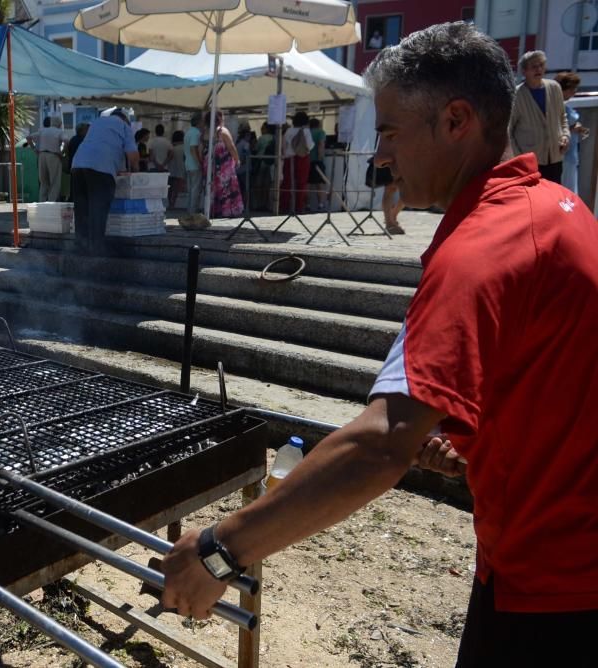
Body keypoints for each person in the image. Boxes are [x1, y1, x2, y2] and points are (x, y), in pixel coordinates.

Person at [161, 22, 598, 667]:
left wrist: (220, 551)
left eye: (391, 131)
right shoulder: (557, 207)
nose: (380, 156)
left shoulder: (478, 252)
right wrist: (484, 437)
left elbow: (381, 443)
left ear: (456, 120)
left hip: (554, 583)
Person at [70, 107, 139, 256]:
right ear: (125, 119)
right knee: (98, 210)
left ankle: (80, 248)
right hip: (100, 169)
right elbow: (132, 155)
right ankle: (96, 251)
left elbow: (102, 146)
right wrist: (137, 170)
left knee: (82, 209)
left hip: (78, 165)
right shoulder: (124, 127)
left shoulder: (97, 122)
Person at [508, 50, 569, 184]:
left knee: (554, 196)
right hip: (530, 160)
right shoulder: (517, 95)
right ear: (524, 71)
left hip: (555, 157)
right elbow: (509, 129)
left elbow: (562, 116)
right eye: (534, 66)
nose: (539, 69)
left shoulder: (554, 88)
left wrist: (565, 136)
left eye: (541, 65)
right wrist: (519, 156)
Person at [203, 110, 242, 218]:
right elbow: (231, 147)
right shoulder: (222, 131)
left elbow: (201, 148)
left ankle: (212, 210)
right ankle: (226, 211)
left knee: (212, 187)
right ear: (219, 118)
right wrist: (237, 159)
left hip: (209, 164)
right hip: (223, 165)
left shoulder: (205, 132)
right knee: (226, 188)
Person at [556, 71, 589, 195]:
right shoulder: (557, 106)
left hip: (571, 152)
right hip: (564, 155)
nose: (574, 91)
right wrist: (572, 129)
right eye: (572, 88)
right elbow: (555, 129)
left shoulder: (563, 106)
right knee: (566, 189)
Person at [281, 111, 313, 213]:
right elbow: (310, 145)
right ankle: (299, 206)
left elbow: (283, 145)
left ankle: (284, 206)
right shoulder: (306, 131)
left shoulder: (288, 131)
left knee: (287, 183)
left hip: (289, 158)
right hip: (302, 158)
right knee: (301, 183)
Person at [29, 116, 64, 202]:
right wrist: (62, 152)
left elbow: (28, 138)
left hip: (41, 156)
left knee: (43, 182)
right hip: (53, 155)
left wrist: (34, 149)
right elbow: (66, 141)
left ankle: (42, 202)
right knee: (54, 181)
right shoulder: (58, 132)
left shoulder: (41, 131)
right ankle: (52, 202)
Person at [184, 111, 203, 215]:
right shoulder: (196, 133)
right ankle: (193, 212)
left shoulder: (188, 132)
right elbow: (193, 148)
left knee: (191, 190)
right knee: (195, 190)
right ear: (199, 122)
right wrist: (199, 162)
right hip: (194, 165)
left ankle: (190, 211)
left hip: (188, 164)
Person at [65, 122, 89, 202]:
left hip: (73, 165)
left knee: (73, 185)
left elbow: (68, 152)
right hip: (82, 166)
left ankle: (73, 199)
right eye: (86, 130)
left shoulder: (73, 139)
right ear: (82, 131)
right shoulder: (84, 140)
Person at [307, 117, 328, 212]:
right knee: (319, 183)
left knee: (308, 184)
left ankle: (307, 204)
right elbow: (321, 144)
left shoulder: (307, 132)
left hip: (307, 160)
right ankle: (321, 204)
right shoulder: (321, 132)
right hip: (317, 160)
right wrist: (320, 157)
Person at [167, 130, 187, 209]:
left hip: (171, 168)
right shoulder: (184, 147)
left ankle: (170, 202)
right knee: (176, 188)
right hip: (181, 168)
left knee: (170, 187)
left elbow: (169, 158)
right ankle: (173, 203)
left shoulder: (172, 147)